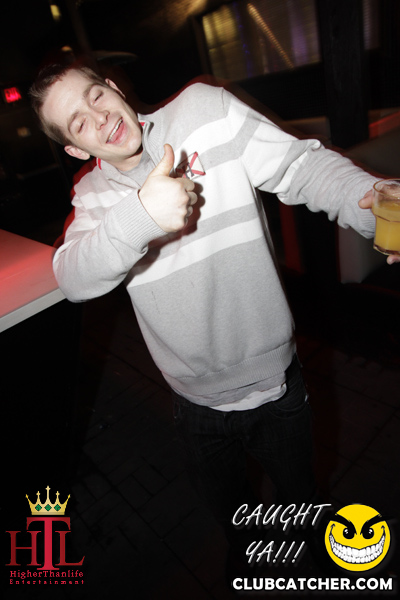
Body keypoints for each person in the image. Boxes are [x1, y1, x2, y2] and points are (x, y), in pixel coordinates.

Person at [29, 61, 396, 577]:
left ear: (112, 87)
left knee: (302, 494)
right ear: (75, 149)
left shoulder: (203, 112)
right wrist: (141, 215)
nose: (100, 117)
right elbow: (71, 277)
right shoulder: (92, 198)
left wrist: (375, 205)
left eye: (95, 96)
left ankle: (323, 560)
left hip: (275, 385)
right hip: (194, 401)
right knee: (229, 507)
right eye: (79, 123)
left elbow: (302, 168)